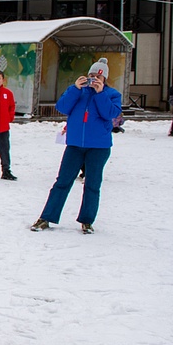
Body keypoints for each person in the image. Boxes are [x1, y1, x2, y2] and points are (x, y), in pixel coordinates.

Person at [31, 57, 122, 234]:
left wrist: (100, 93)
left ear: (105, 79)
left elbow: (111, 114)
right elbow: (62, 107)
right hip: (74, 145)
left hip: (99, 147)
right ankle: (46, 217)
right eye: (91, 75)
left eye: (98, 77)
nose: (94, 79)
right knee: (62, 182)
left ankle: (87, 221)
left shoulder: (112, 95)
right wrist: (74, 88)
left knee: (92, 184)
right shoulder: (78, 91)